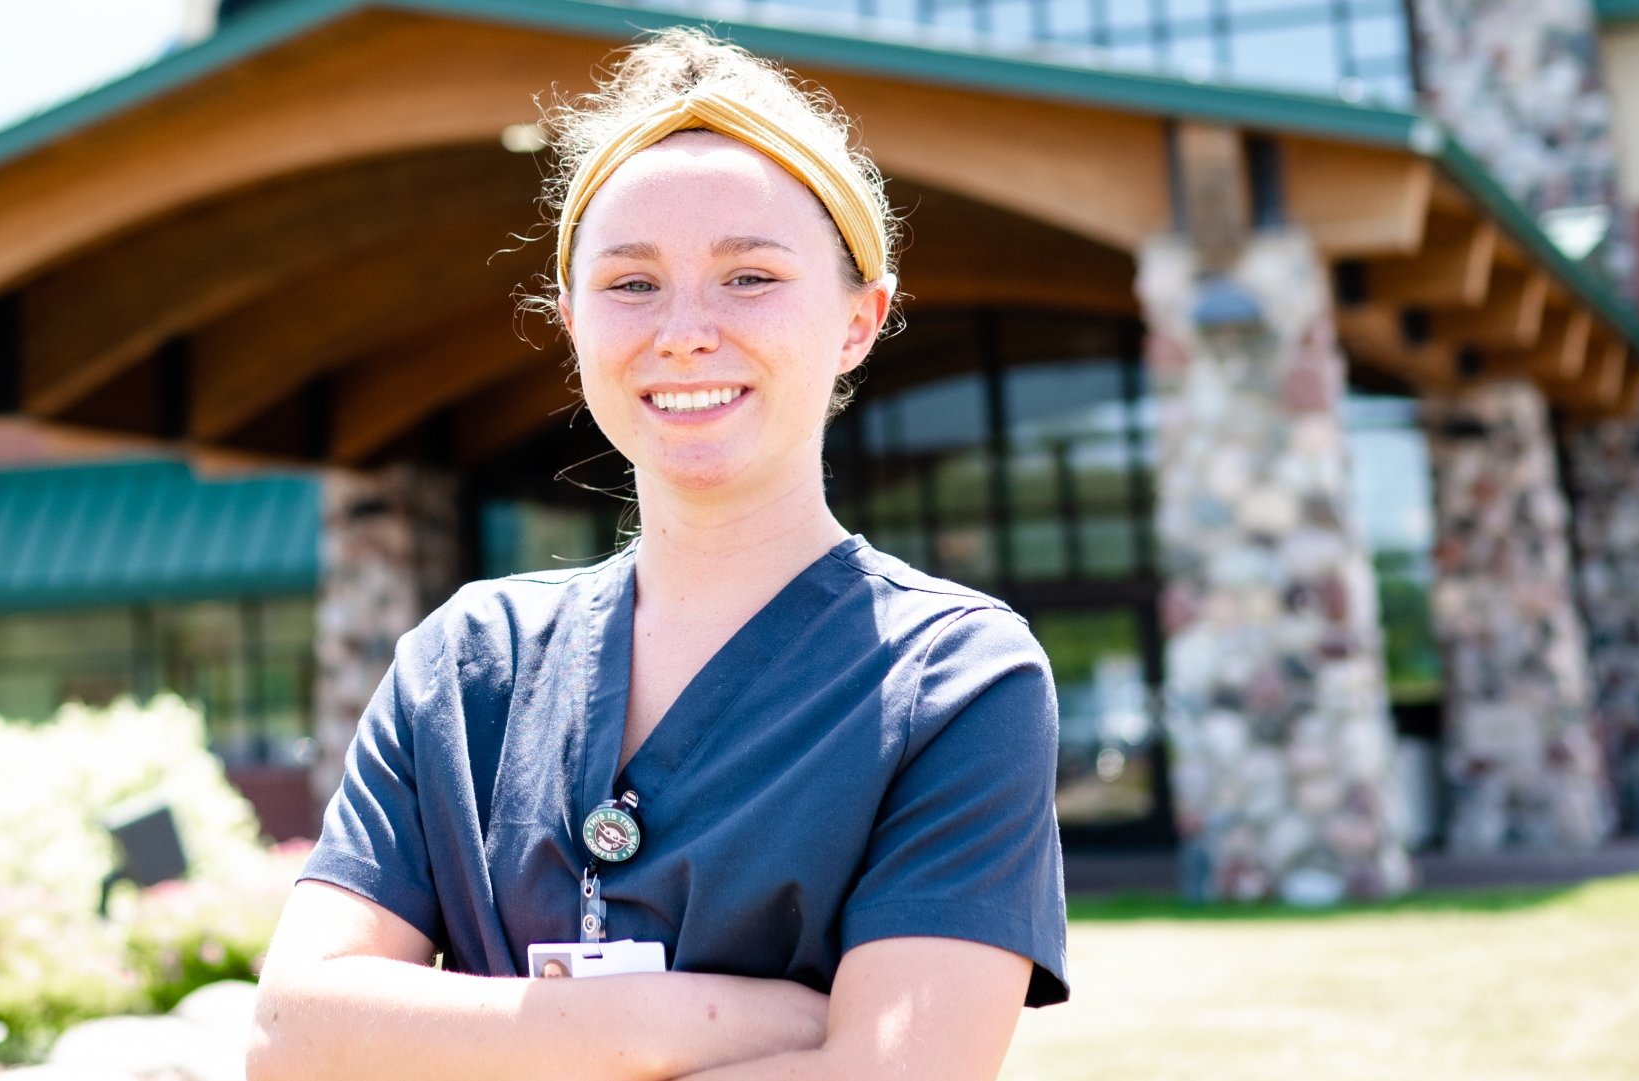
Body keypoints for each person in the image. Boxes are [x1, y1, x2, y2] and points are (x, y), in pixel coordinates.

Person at [248, 27, 1067, 1081]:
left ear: (860, 320)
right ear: (572, 321)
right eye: (631, 284)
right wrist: (711, 1021)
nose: (684, 331)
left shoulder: (955, 680)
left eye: (750, 276)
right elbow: (294, 1038)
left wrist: (452, 1043)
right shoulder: (464, 665)